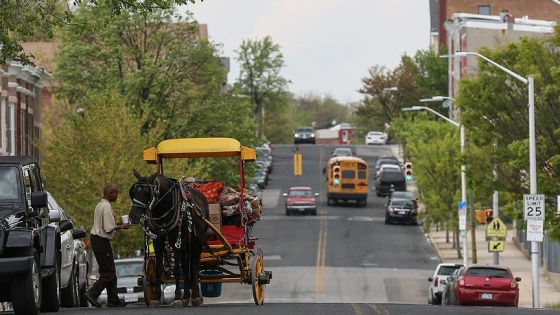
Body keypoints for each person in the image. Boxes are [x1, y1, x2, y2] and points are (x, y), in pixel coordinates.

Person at [84, 185, 131, 308]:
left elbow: (105, 224)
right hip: (101, 241)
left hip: (97, 239)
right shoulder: (106, 206)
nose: (117, 196)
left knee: (111, 271)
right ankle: (92, 293)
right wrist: (123, 226)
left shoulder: (100, 205)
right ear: (110, 194)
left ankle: (113, 299)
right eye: (115, 193)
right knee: (108, 272)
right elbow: (108, 228)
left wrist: (118, 224)